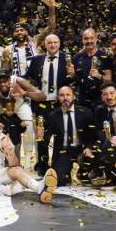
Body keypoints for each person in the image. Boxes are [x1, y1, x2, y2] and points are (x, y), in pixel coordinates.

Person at [25, 34, 73, 177]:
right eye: (49, 43)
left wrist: (74, 74)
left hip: (61, 104)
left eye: (55, 42)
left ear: (60, 44)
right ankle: (42, 167)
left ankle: (60, 167)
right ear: (45, 45)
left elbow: (73, 81)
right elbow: (29, 78)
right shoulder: (36, 60)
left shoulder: (68, 59)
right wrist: (32, 88)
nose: (52, 45)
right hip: (42, 104)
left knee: (61, 136)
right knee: (42, 137)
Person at [0, 68, 45, 175]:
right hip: (3, 111)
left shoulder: (19, 81)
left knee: (28, 129)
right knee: (5, 134)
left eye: (5, 81)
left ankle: (27, 165)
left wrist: (24, 93)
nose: (3, 84)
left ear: (10, 78)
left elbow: (43, 96)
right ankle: (6, 162)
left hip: (20, 107)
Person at [39, 86, 98, 186]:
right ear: (58, 98)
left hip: (82, 149)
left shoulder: (86, 113)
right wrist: (41, 136)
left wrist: (89, 147)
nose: (65, 98)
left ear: (74, 96)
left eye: (68, 95)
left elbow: (93, 135)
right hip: (64, 151)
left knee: (88, 178)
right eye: (62, 95)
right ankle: (66, 170)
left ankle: (82, 172)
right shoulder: (53, 116)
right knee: (59, 181)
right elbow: (47, 138)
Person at [6, 0, 58, 76]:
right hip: (17, 83)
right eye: (16, 31)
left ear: (26, 32)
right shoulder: (8, 49)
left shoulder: (34, 42)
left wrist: (51, 8)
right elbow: (6, 69)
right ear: (13, 34)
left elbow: (51, 27)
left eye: (22, 30)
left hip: (34, 83)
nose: (19, 32)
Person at [70, 29, 112, 106]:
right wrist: (72, 75)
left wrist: (99, 76)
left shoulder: (105, 57)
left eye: (91, 38)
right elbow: (75, 81)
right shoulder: (76, 58)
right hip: (83, 101)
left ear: (96, 38)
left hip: (102, 101)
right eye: (86, 38)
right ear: (82, 40)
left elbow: (110, 79)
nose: (89, 41)